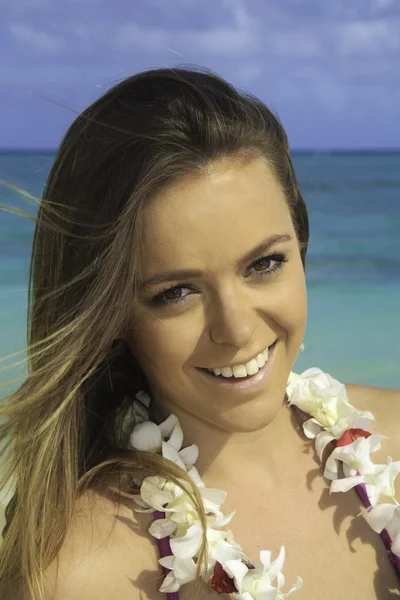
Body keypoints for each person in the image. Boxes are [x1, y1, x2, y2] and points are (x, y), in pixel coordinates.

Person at [0, 65, 399, 600]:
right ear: (112, 314)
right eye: (176, 292)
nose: (235, 328)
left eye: (264, 263)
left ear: (301, 247)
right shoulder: (79, 573)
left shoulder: (393, 435)